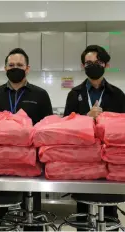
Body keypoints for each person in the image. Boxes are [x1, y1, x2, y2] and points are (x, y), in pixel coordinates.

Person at [0, 48, 53, 231]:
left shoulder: (40, 95)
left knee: (31, 215)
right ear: (5, 68)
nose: (15, 68)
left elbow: (48, 127)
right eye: (11, 65)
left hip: (30, 163)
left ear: (28, 68)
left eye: (20, 65)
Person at [64, 45, 125, 227]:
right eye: (88, 63)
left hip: (111, 161)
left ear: (105, 64)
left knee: (109, 214)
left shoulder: (118, 95)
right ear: (83, 66)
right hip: (84, 160)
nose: (92, 66)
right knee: (84, 213)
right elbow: (65, 128)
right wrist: (85, 119)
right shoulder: (75, 94)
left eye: (97, 62)